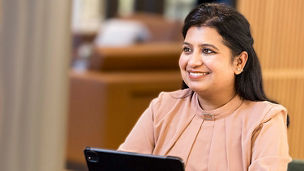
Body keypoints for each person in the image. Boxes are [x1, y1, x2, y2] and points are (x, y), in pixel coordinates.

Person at [118, 3, 291, 171]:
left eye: (207, 51)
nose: (192, 62)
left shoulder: (266, 120)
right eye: (187, 49)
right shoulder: (162, 106)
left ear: (239, 62)